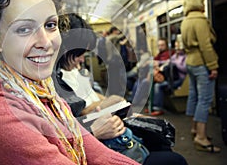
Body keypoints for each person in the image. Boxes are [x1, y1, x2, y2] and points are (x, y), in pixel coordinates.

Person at [0, 0, 140, 165]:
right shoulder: (0, 118)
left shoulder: (46, 95)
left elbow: (98, 154)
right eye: (24, 29)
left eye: (50, 25)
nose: (46, 42)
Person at [54, 13, 188, 165]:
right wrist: (109, 110)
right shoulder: (55, 81)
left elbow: (87, 100)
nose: (82, 59)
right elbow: (81, 114)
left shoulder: (65, 73)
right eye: (80, 54)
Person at [180, 0, 220, 153]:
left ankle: (195, 129)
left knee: (194, 96)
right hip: (202, 62)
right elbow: (206, 46)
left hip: (190, 62)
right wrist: (213, 66)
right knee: (205, 99)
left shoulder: (185, 21)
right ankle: (201, 138)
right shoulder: (200, 21)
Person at [150, 40, 187, 116]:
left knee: (158, 85)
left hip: (180, 79)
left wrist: (175, 63)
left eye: (178, 46)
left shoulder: (185, 56)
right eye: (176, 46)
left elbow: (184, 69)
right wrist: (158, 63)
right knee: (153, 83)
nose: (177, 49)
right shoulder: (175, 55)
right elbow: (168, 61)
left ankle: (157, 108)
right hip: (172, 78)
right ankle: (152, 106)